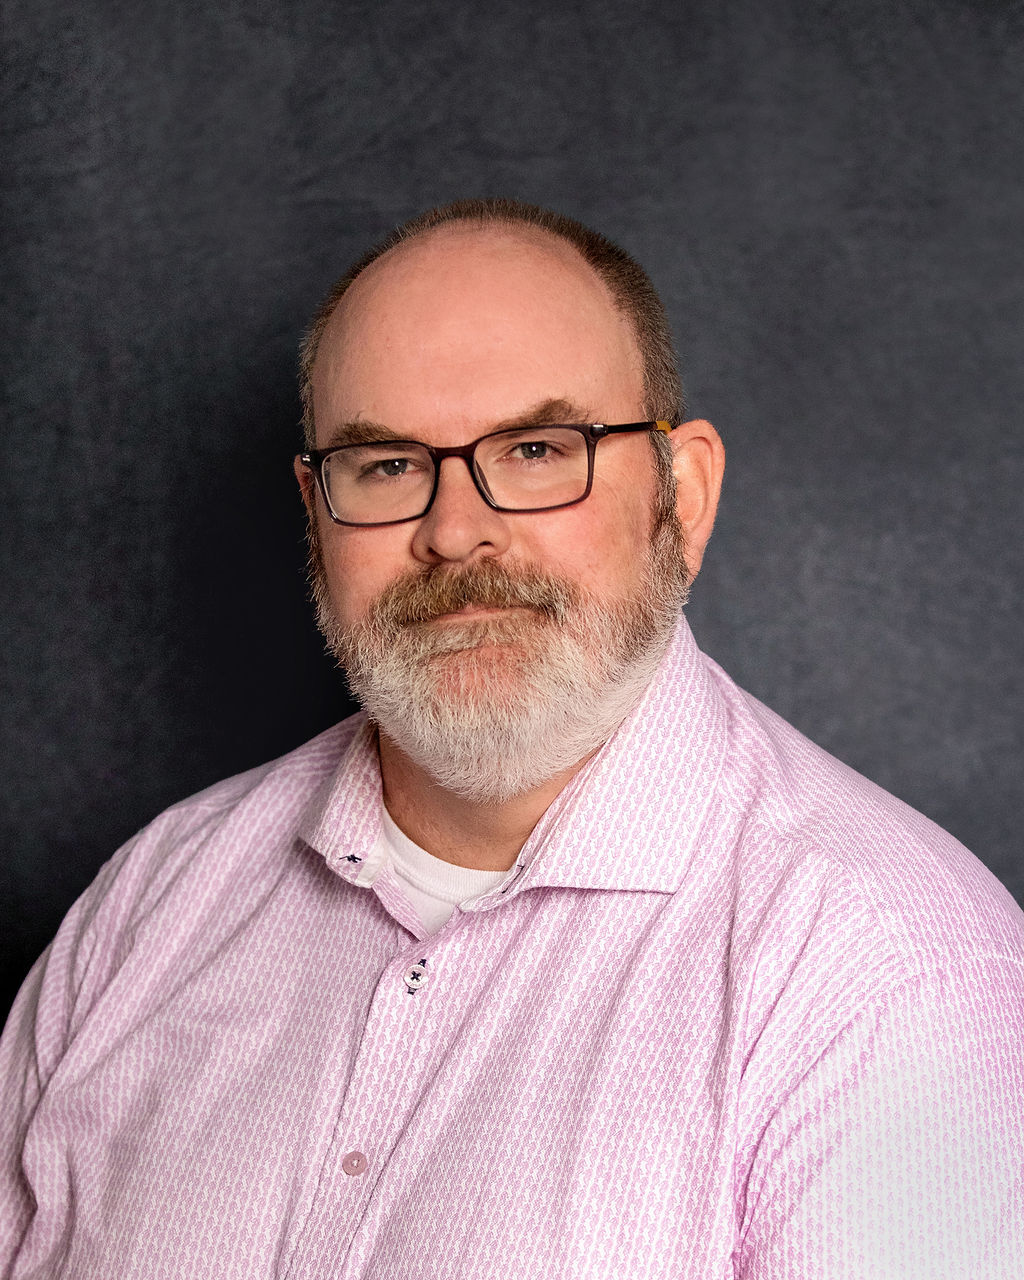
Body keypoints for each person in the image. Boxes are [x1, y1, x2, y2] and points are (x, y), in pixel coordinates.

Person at [1, 198, 1022, 1280]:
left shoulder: (890, 976)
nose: (454, 531)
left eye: (537, 449)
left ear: (681, 496)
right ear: (316, 510)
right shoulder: (153, 900)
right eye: (387, 465)